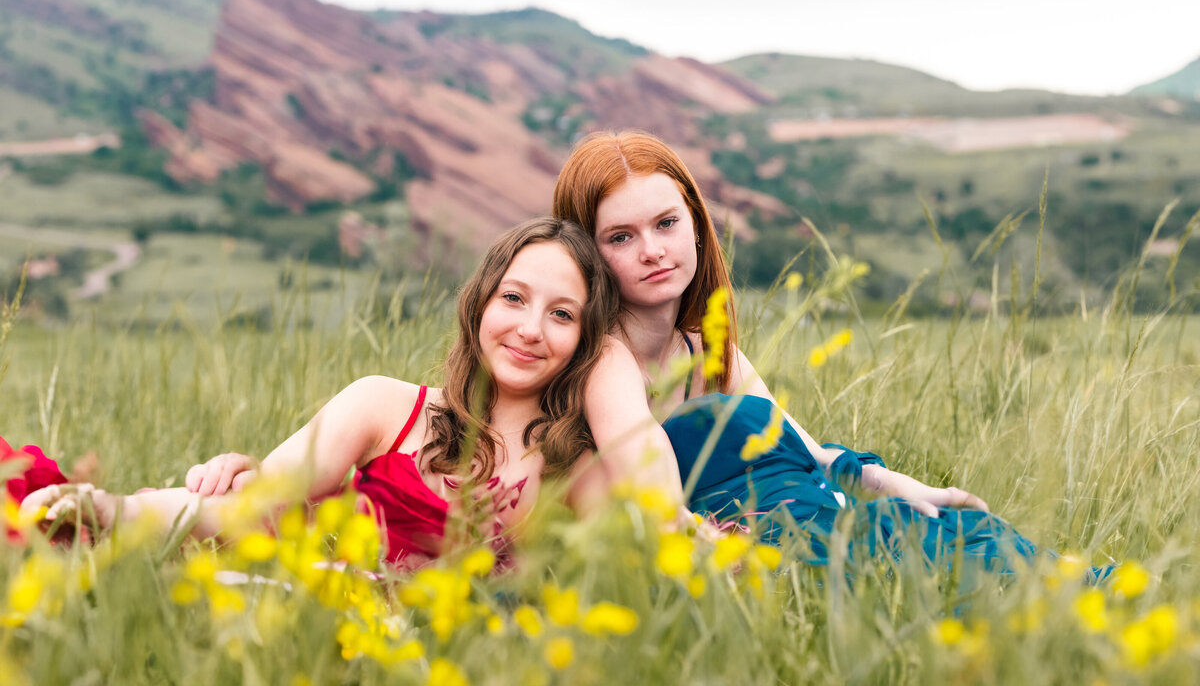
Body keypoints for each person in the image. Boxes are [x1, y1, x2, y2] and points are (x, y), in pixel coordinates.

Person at [552, 129, 1060, 575]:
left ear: (696, 225)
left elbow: (804, 450)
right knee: (969, 570)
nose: (653, 250)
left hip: (808, 522)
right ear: (586, 255)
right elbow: (655, 496)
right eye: (621, 236)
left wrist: (902, 485)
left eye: (666, 223)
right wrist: (719, 551)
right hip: (766, 554)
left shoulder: (709, 350)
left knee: (973, 539)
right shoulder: (606, 361)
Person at [14, 217, 618, 567]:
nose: (529, 329)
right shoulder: (386, 405)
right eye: (513, 298)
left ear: (587, 339)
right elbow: (256, 505)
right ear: (480, 303)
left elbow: (636, 566)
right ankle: (99, 514)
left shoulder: (577, 471)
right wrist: (123, 508)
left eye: (562, 314)